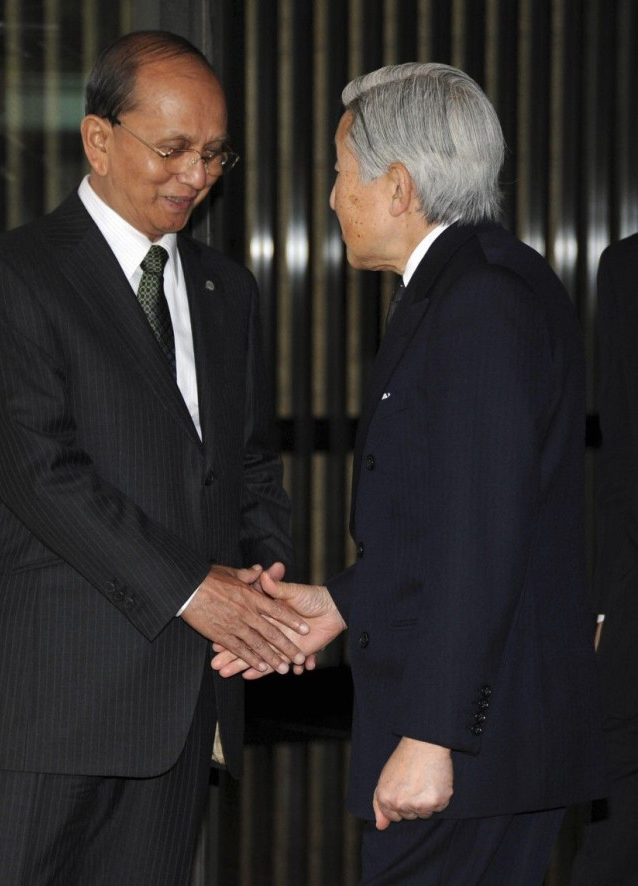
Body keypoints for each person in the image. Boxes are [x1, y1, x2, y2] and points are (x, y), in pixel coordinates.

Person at [0, 30, 305, 885]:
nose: (196, 177)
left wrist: (263, 598)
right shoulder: (7, 276)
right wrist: (196, 590)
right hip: (46, 702)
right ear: (100, 139)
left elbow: (248, 468)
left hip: (182, 704)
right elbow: (40, 473)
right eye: (172, 149)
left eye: (214, 154)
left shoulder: (226, 288)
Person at [214, 62, 606, 885]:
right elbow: (452, 521)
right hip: (493, 743)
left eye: (338, 171)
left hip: (472, 753)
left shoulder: (478, 305)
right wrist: (338, 604)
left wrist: (432, 738)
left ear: (397, 186)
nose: (330, 196)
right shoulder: (486, 280)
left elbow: (482, 542)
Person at [570, 233, 638, 885]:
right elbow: (619, 458)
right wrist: (603, 604)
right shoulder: (625, 267)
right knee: (614, 835)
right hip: (634, 598)